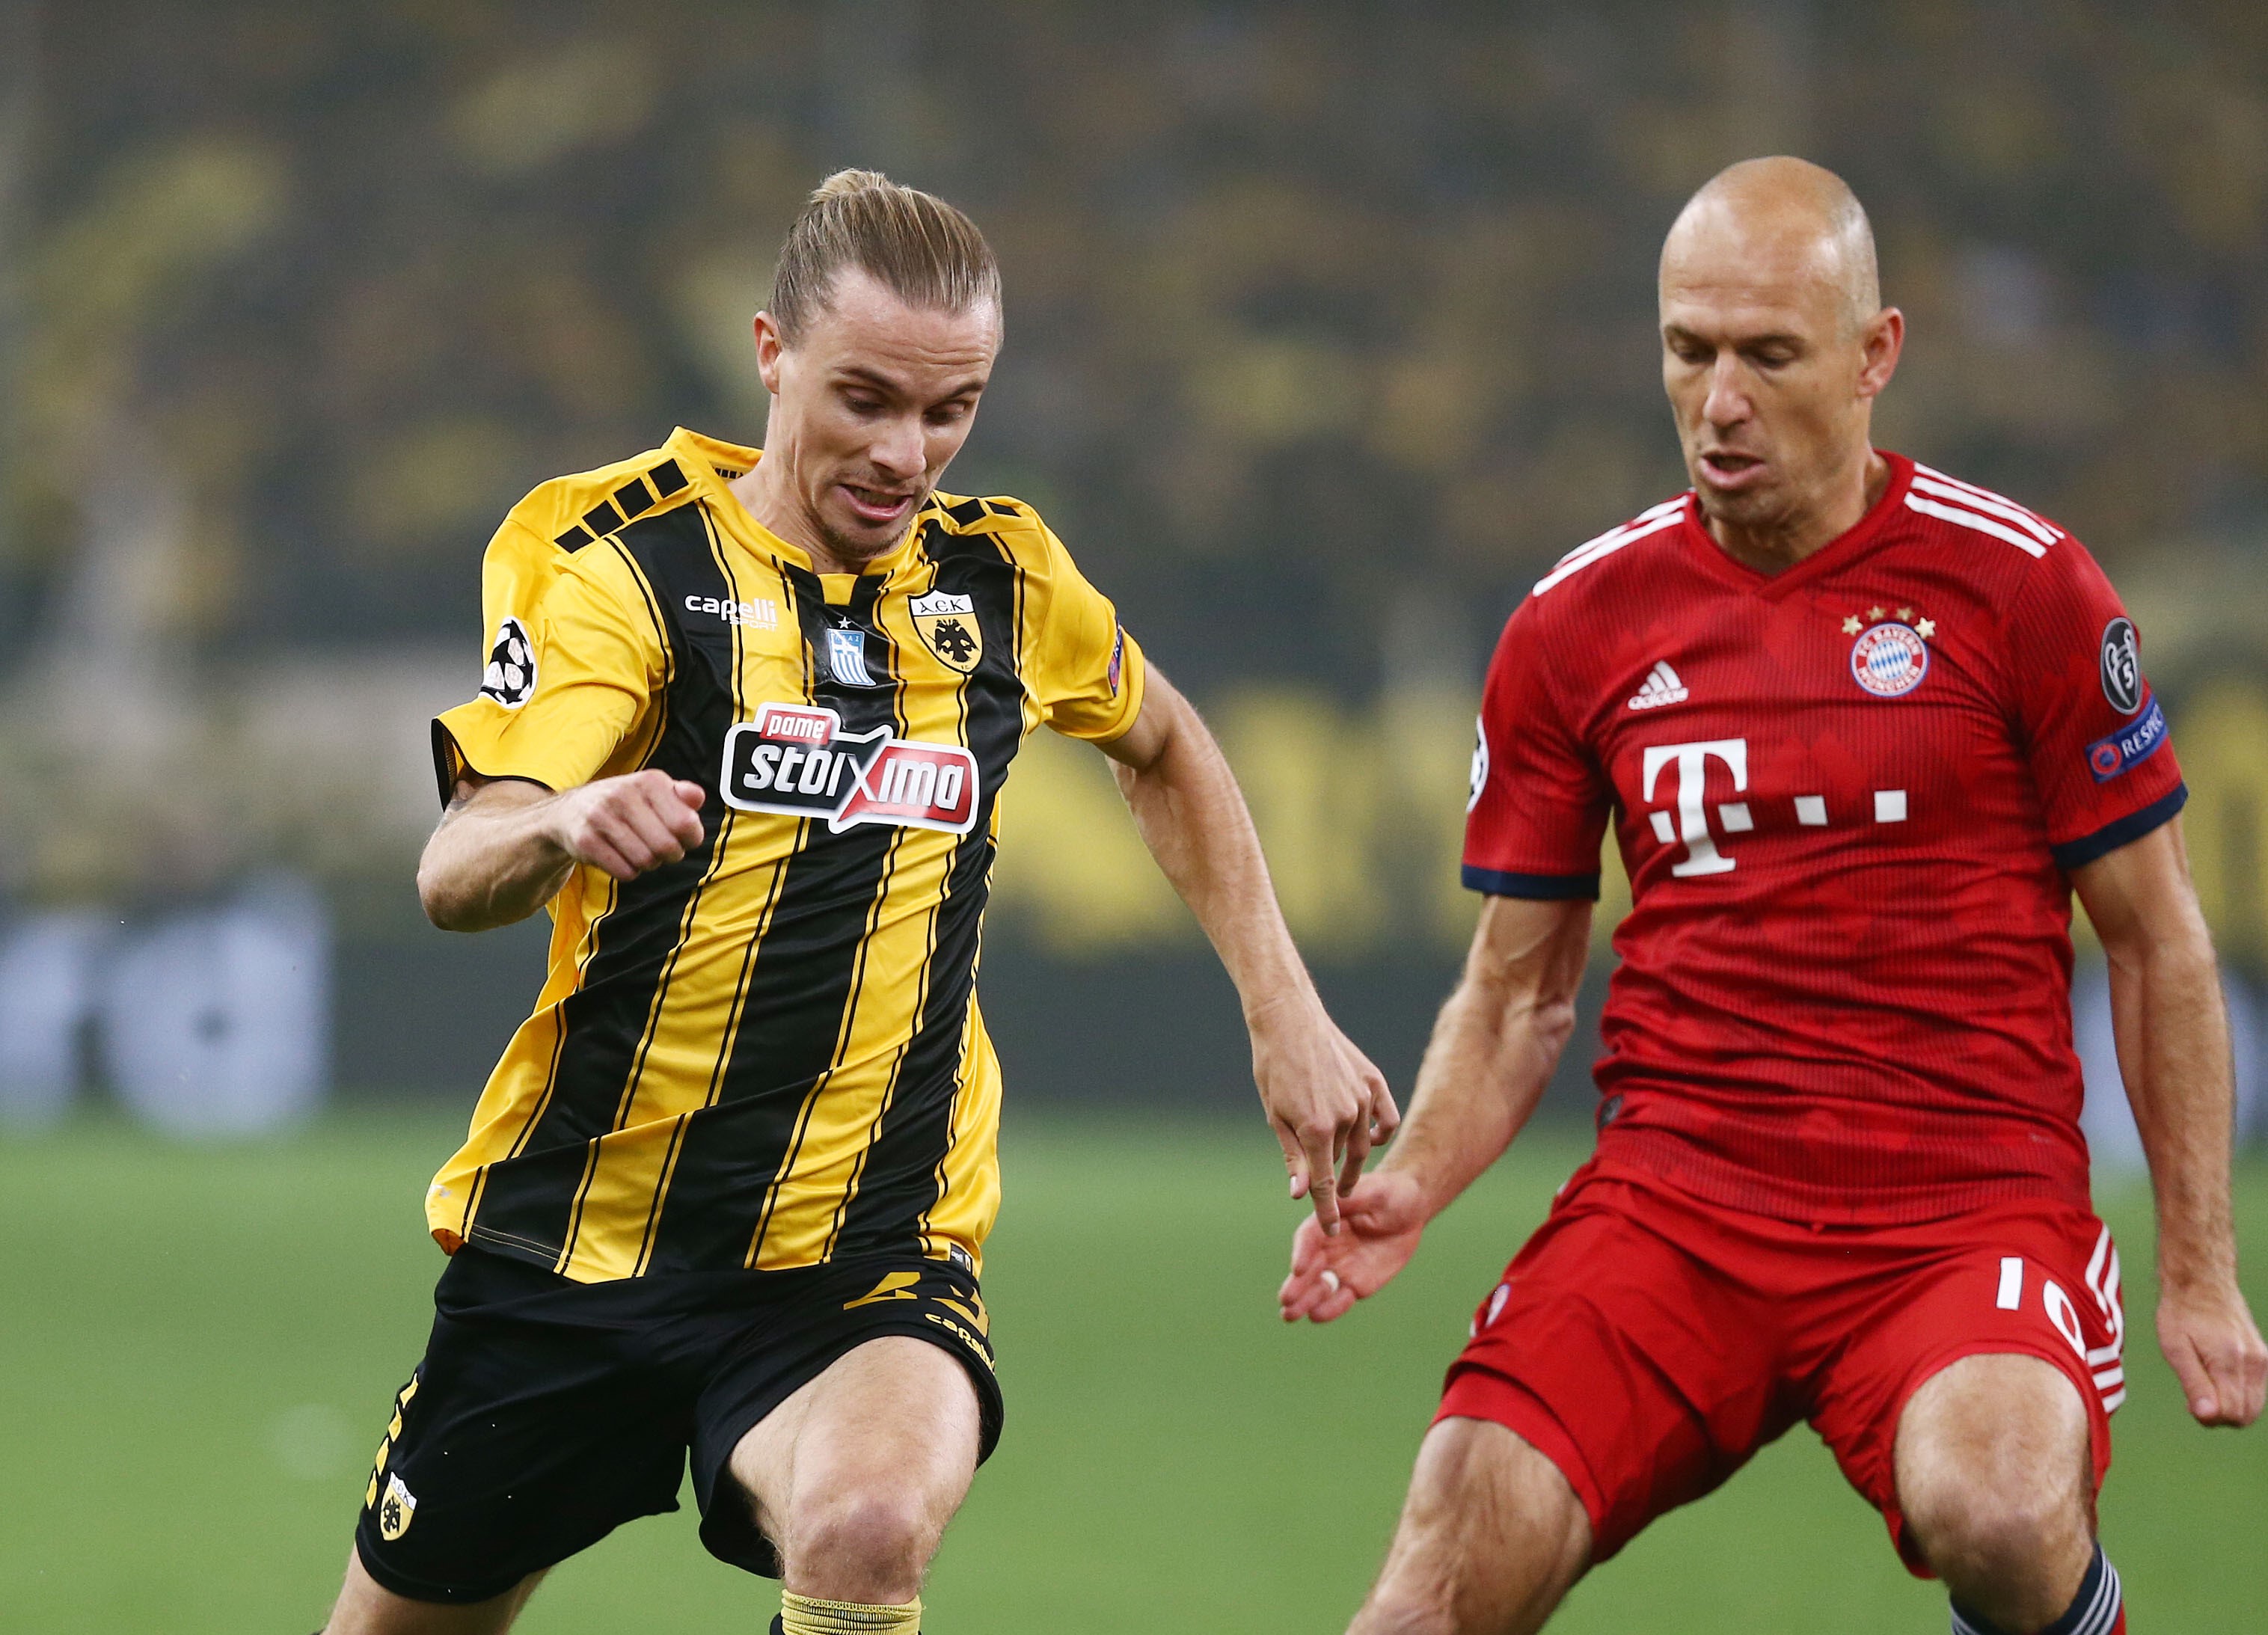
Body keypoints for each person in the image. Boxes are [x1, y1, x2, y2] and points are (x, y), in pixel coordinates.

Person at [323, 169, 1395, 1635]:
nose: (908, 454)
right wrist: (561, 817)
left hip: (865, 1249)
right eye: (867, 399)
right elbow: (457, 869)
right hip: (580, 1244)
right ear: (770, 353)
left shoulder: (999, 576)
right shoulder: (627, 565)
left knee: (869, 1526)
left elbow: (1162, 742)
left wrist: (1284, 1009)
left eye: (952, 409)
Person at [1279, 156, 2267, 1635]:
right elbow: (1517, 989)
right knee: (1436, 1578)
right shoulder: (1576, 624)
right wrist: (1416, 1177)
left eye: (1769, 355)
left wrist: (2199, 1268)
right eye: (1688, 352)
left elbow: (2157, 942)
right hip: (1677, 1204)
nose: (1720, 401)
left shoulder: (2024, 590)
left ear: (1875, 355)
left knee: (2001, 1511)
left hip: (1961, 1204)